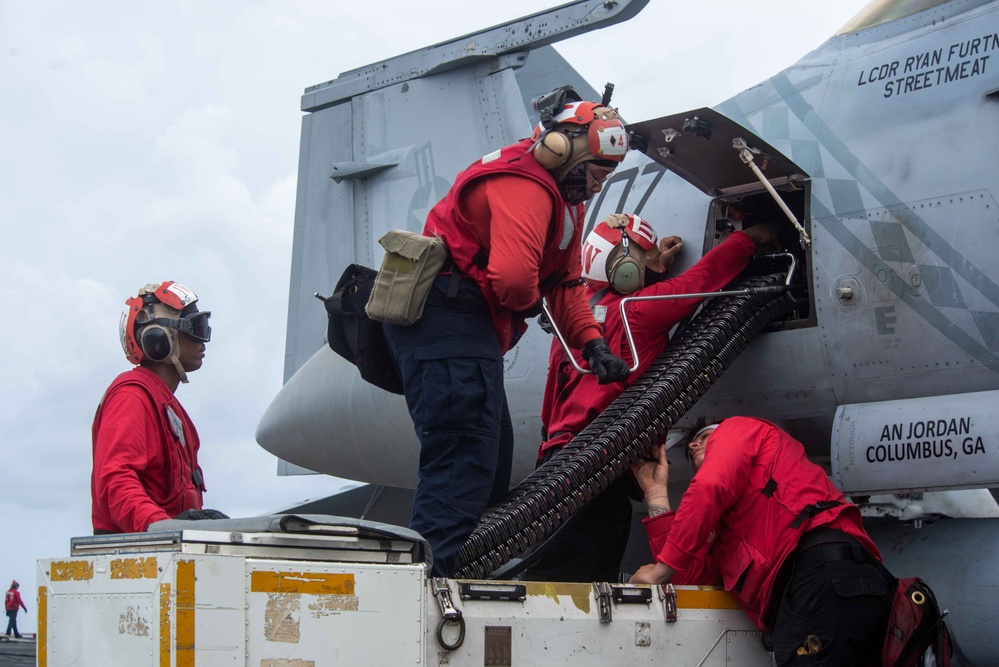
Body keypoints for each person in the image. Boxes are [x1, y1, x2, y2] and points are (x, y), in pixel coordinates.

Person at [383, 85, 633, 576]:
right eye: (597, 169)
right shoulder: (525, 184)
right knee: (463, 461)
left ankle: (458, 576)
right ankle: (429, 587)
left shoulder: (565, 198)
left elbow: (565, 282)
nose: (599, 183)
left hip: (464, 329)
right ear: (562, 148)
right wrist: (530, 303)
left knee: (489, 462)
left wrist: (593, 344)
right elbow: (516, 279)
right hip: (450, 323)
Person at [525, 215, 777, 582]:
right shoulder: (638, 311)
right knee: (570, 582)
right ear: (624, 268)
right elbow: (700, 281)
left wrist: (657, 266)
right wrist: (749, 238)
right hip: (596, 469)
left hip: (560, 463)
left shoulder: (575, 321)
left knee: (575, 576)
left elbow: (551, 400)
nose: (648, 266)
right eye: (643, 261)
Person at [631, 417, 893, 665]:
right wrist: (656, 494)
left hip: (819, 577)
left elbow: (709, 486)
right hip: (833, 588)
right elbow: (690, 577)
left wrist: (660, 570)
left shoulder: (742, 429)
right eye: (691, 448)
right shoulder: (734, 527)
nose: (692, 445)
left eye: (705, 437)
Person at [91, 281, 228, 534]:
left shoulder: (168, 406)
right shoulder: (131, 397)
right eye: (195, 328)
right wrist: (163, 527)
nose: (204, 340)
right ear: (160, 339)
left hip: (164, 547)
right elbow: (116, 481)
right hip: (139, 550)